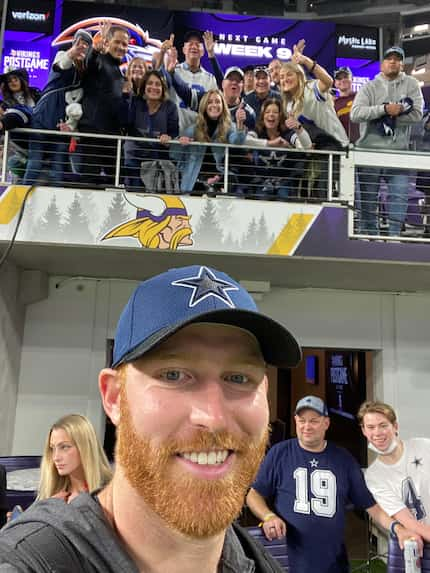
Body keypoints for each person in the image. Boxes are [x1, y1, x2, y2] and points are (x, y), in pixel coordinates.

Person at [0, 264, 303, 572]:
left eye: (239, 378)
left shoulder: (258, 563)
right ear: (115, 397)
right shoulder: (35, 561)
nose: (213, 417)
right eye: (173, 375)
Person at [246, 395, 422, 573]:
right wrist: (268, 516)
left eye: (314, 421)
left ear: (326, 423)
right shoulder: (279, 453)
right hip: (286, 563)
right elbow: (254, 494)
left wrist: (397, 528)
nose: (307, 426)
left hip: (333, 565)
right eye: (302, 420)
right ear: (295, 421)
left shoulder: (344, 460)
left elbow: (371, 507)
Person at [350, 46, 424, 236]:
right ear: (382, 64)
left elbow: (417, 115)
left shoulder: (412, 84)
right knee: (367, 198)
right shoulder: (369, 87)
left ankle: (394, 238)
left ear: (402, 64)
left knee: (399, 196)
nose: (393, 61)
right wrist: (384, 110)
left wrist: (390, 117)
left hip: (397, 153)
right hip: (369, 151)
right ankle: (369, 236)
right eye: (389, 58)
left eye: (397, 59)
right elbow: (356, 114)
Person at [21, 29, 92, 185]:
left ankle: (55, 207)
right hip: (42, 117)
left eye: (86, 45)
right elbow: (61, 65)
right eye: (80, 43)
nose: (82, 47)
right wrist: (72, 52)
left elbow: (76, 105)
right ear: (74, 43)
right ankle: (20, 201)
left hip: (60, 126)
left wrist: (70, 126)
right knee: (35, 164)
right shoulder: (62, 55)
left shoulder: (83, 75)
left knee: (58, 169)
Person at [358, 400, 430, 542]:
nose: (377, 432)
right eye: (371, 427)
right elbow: (408, 521)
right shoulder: (374, 476)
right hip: (422, 544)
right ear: (364, 431)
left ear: (395, 426)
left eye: (383, 425)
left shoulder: (424, 446)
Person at [76, 22, 129, 186]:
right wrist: (95, 49)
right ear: (107, 42)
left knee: (117, 183)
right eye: (117, 42)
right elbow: (89, 64)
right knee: (89, 182)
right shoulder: (98, 59)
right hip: (94, 133)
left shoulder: (118, 71)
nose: (121, 47)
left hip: (112, 135)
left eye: (124, 44)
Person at [171, 89, 247, 194]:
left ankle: (212, 183)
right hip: (193, 180)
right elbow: (174, 155)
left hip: (219, 179)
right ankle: (207, 183)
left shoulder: (229, 127)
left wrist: (240, 124)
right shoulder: (192, 130)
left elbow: (237, 142)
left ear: (223, 106)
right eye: (210, 102)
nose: (214, 105)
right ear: (204, 106)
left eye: (217, 101)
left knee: (231, 180)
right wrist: (180, 143)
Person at [122, 69, 178, 190]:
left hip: (157, 160)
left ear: (163, 88)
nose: (154, 87)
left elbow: (174, 132)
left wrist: (169, 138)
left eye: (158, 84)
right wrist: (126, 96)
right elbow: (125, 123)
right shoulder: (135, 102)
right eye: (150, 83)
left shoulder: (170, 107)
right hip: (134, 158)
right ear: (144, 86)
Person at [36, 413, 112, 503]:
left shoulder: (109, 493)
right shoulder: (52, 493)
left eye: (64, 447)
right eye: (52, 448)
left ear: (85, 447)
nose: (55, 457)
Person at [247, 98, 312, 198]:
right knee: (261, 199)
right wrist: (269, 144)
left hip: (284, 183)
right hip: (262, 183)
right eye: (267, 112)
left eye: (275, 112)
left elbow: (306, 146)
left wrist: (298, 129)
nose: (271, 115)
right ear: (263, 116)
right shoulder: (258, 131)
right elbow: (246, 141)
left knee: (284, 196)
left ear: (280, 116)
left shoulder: (287, 133)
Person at [333, 66, 359, 144]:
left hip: (362, 144)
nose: (343, 80)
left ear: (352, 79)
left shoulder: (361, 97)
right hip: (342, 145)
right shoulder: (333, 104)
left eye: (346, 77)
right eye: (339, 78)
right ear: (335, 83)